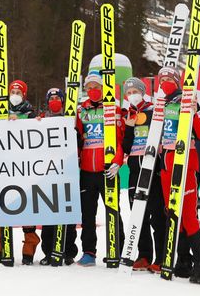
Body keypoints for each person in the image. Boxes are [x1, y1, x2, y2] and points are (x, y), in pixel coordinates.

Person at [157, 66, 200, 284]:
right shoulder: (162, 105)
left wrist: (194, 110)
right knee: (172, 214)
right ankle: (183, 261)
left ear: (178, 81)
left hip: (186, 163)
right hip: (167, 165)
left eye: (169, 78)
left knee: (188, 217)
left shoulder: (184, 100)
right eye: (161, 79)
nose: (165, 82)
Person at [75, 70, 125, 267]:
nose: (93, 90)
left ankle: (117, 249)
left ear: (104, 88)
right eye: (89, 87)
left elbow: (120, 140)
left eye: (96, 87)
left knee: (113, 210)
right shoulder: (81, 110)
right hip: (87, 170)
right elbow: (76, 138)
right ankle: (89, 252)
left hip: (107, 169)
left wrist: (117, 161)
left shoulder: (114, 108)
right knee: (87, 214)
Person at [120, 77, 165, 271]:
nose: (132, 95)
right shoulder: (128, 113)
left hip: (151, 166)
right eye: (128, 93)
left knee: (156, 214)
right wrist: (129, 128)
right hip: (135, 169)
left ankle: (161, 258)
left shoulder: (153, 109)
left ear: (142, 91)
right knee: (138, 214)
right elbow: (127, 147)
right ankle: (144, 255)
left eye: (134, 91)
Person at [39, 88, 78, 266]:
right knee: (49, 211)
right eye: (51, 98)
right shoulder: (42, 118)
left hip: (67, 170)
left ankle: (68, 251)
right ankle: (49, 251)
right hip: (47, 171)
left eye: (57, 98)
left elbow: (81, 140)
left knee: (67, 212)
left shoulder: (72, 118)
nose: (54, 101)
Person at [6, 79, 40, 265]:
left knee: (26, 206)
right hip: (4, 166)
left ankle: (29, 247)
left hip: (25, 166)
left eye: (19, 93)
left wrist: (22, 121)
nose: (15, 95)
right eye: (13, 92)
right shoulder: (1, 110)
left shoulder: (30, 113)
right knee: (4, 206)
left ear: (24, 95)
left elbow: (37, 129)